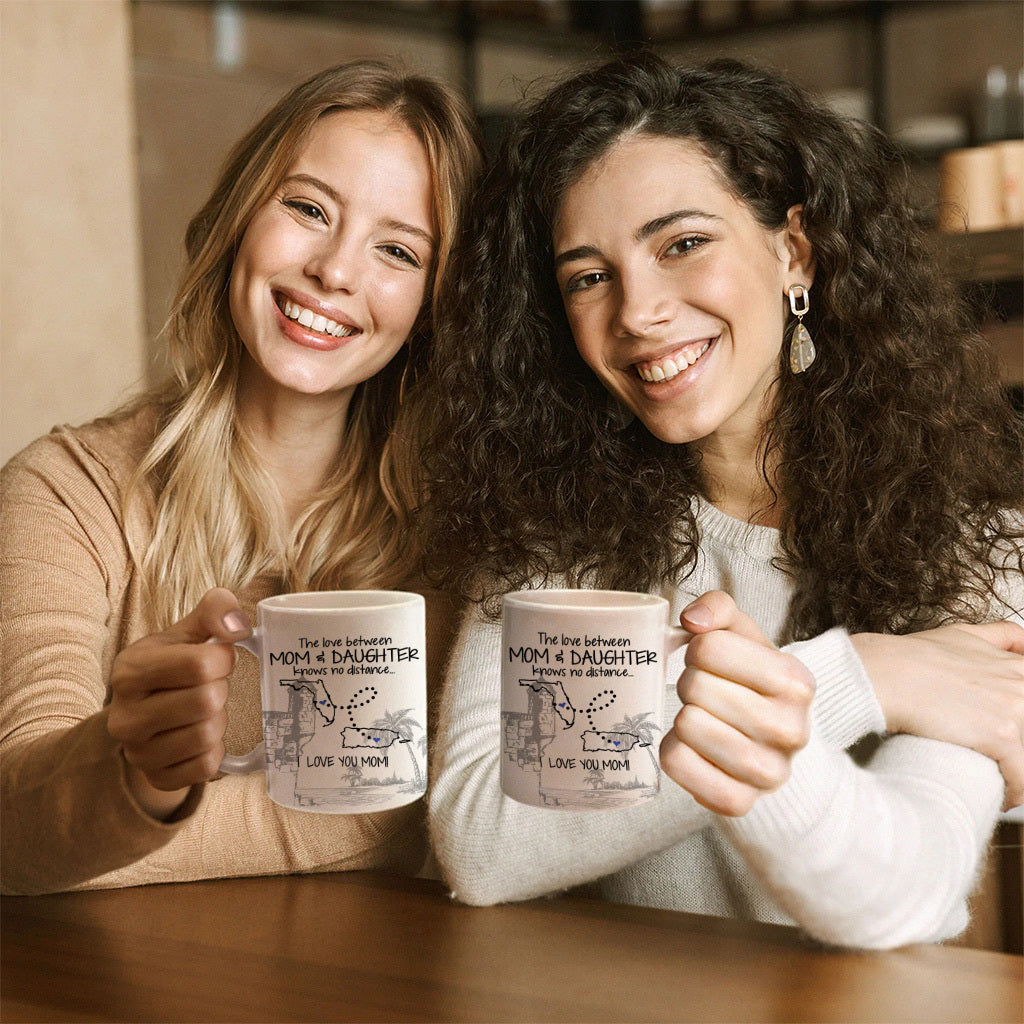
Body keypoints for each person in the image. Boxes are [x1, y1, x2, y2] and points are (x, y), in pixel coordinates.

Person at [415, 54, 1024, 949]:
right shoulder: (552, 537)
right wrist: (858, 677)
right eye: (588, 276)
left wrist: (777, 693)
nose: (637, 311)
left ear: (794, 252)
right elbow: (481, 844)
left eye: (681, 244)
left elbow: (900, 892)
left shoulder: (979, 543)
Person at [0, 60, 482, 895]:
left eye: (397, 250)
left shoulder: (457, 532)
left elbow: (423, 803)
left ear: (434, 304)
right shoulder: (65, 492)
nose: (335, 270)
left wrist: (121, 832)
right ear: (237, 220)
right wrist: (138, 776)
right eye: (307, 209)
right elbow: (16, 823)